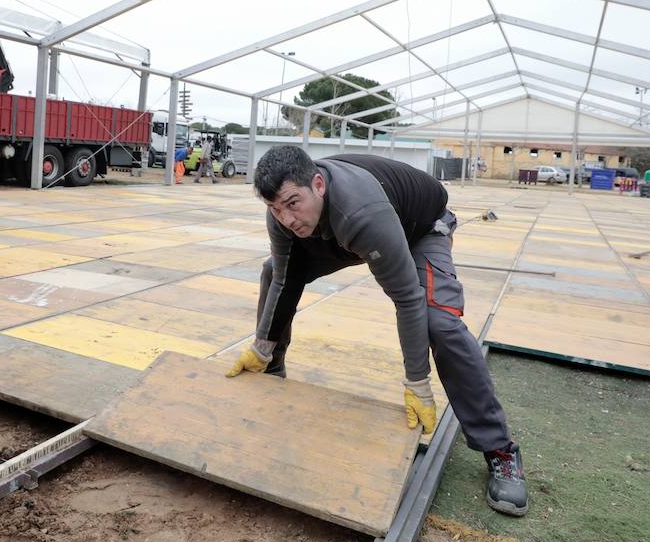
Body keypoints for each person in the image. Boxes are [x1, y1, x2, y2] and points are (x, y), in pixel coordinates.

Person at [226, 146, 527, 516]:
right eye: (276, 209)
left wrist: (417, 382)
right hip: (339, 229)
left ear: (318, 184)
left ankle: (499, 449)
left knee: (440, 323)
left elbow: (408, 299)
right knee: (274, 271)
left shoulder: (362, 212)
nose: (287, 218)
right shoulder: (285, 215)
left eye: (292, 203)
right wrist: (262, 347)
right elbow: (286, 279)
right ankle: (270, 370)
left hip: (418, 228)